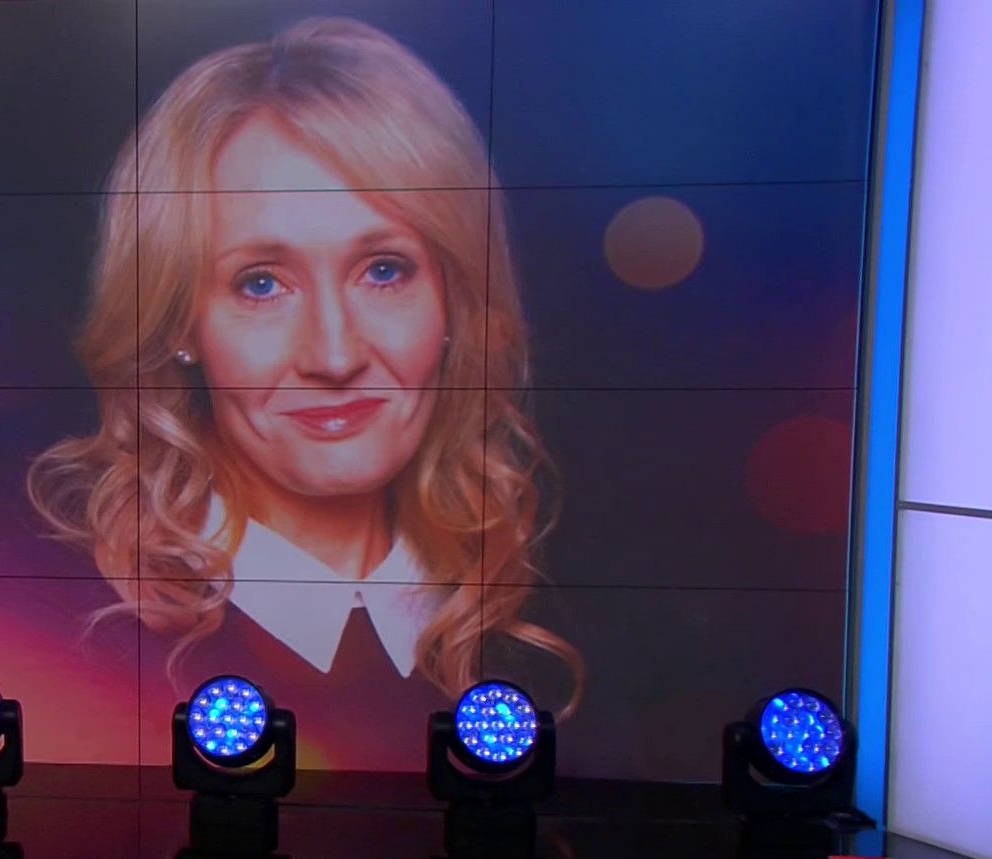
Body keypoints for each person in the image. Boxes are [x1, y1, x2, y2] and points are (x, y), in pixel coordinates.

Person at [29, 18, 582, 773]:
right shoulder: (63, 643)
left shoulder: (543, 650)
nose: (335, 355)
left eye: (384, 271)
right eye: (261, 283)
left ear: (454, 299)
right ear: (179, 323)